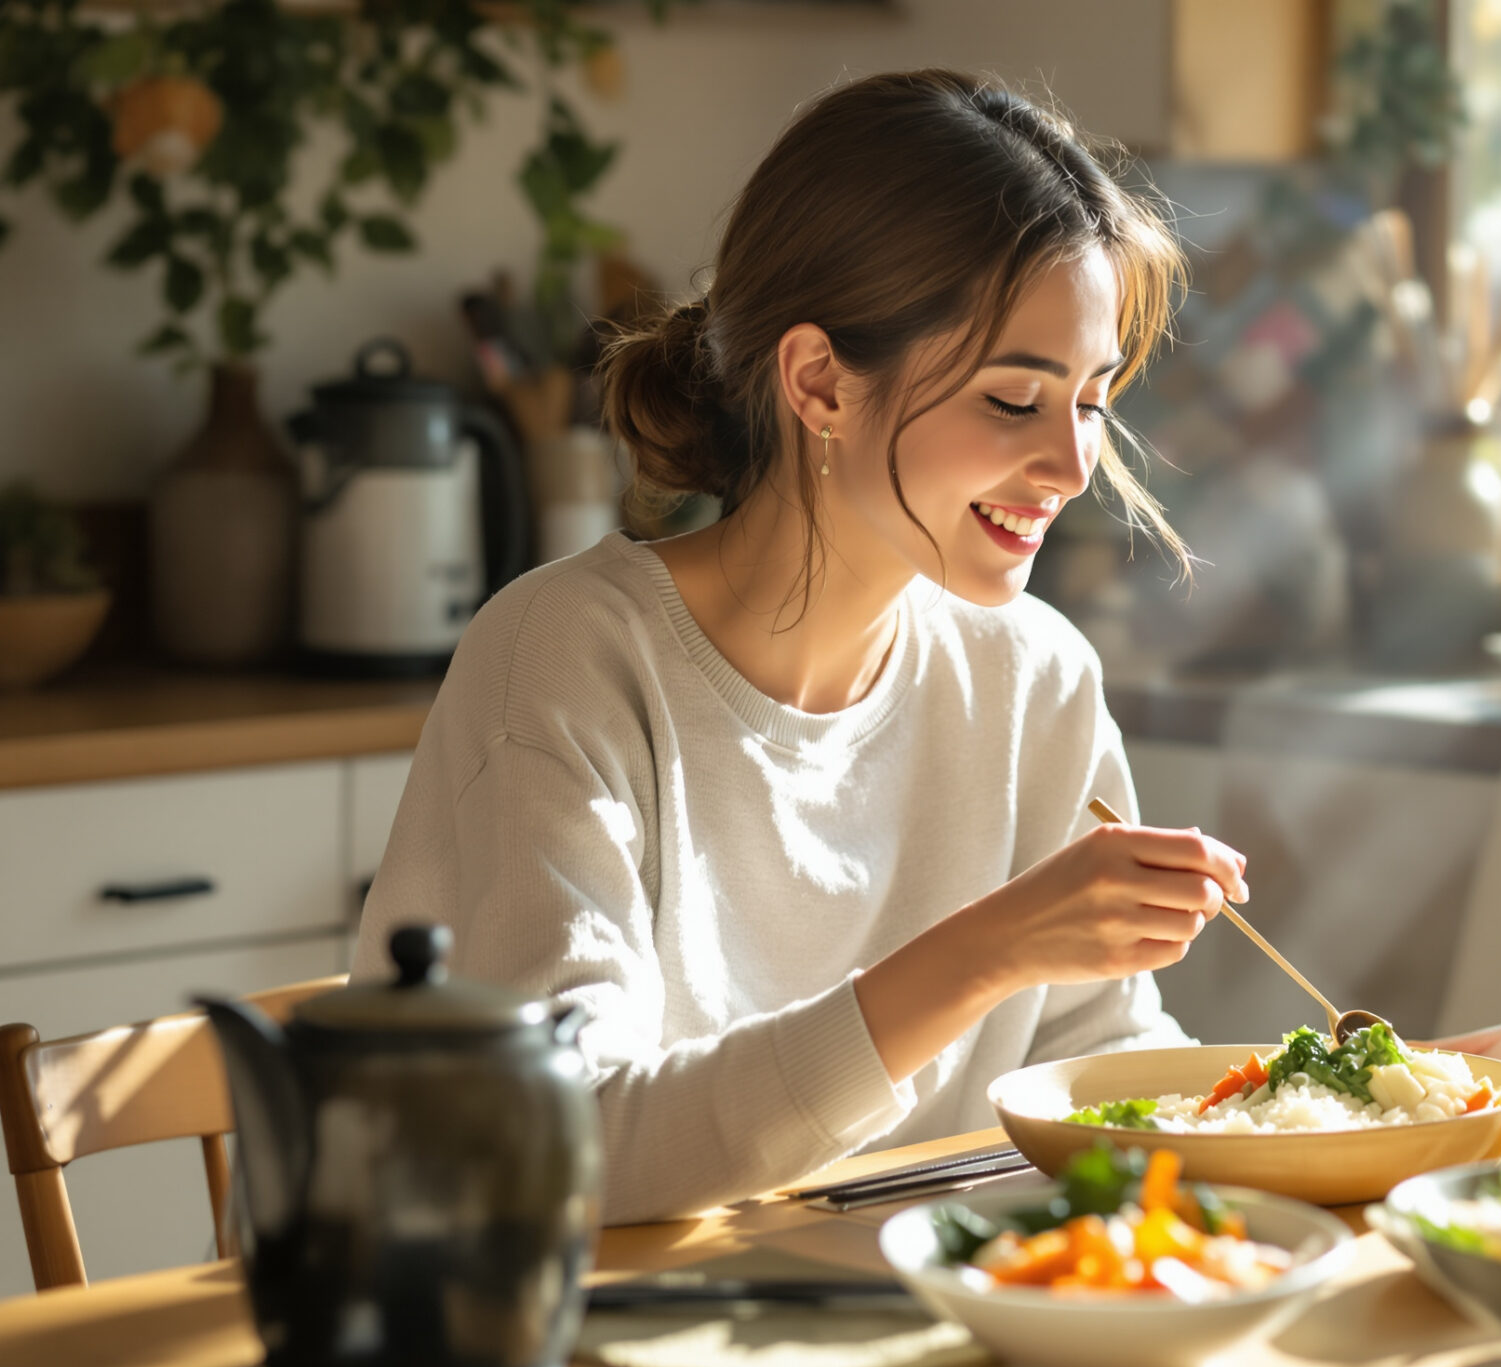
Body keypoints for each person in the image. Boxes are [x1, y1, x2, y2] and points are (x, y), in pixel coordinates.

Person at [356, 70, 1245, 1225]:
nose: (1074, 469)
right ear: (820, 382)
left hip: (889, 1347)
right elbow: (560, 1138)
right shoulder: (570, 654)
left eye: (1091, 398)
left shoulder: (1036, 676)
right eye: (1015, 400)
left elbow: (1100, 1088)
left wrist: (1347, 1118)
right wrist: (986, 950)